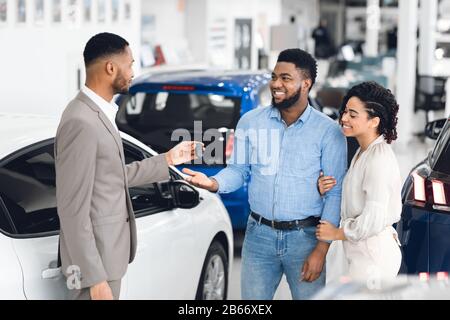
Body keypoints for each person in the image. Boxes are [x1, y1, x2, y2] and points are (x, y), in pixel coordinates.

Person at [183, 48, 347, 300]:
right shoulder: (251, 121)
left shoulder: (328, 132)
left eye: (285, 78)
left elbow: (334, 194)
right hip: (259, 236)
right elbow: (238, 171)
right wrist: (213, 182)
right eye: (274, 77)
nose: (276, 84)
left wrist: (321, 251)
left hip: (305, 239)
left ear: (306, 84)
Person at [55, 32, 198, 300]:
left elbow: (110, 177)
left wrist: (166, 160)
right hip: (94, 268)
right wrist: (94, 278)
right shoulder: (81, 121)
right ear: (111, 68)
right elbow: (72, 209)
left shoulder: (97, 114)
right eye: (130, 64)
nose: (134, 71)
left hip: (106, 260)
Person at [316, 81, 402, 284]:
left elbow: (373, 217)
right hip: (361, 252)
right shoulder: (363, 151)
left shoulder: (378, 158)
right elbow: (356, 199)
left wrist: (336, 233)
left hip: (373, 257)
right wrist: (325, 188)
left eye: (353, 115)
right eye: (345, 111)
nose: (344, 118)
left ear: (374, 121)